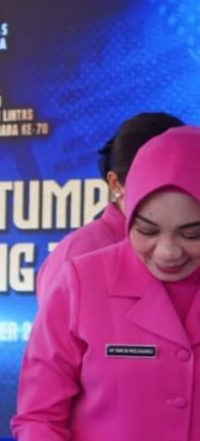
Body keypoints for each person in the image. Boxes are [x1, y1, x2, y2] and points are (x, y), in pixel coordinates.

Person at [13, 126, 200, 441]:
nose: (168, 251)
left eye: (191, 234)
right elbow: (38, 417)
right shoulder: (82, 281)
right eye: (147, 230)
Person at [36, 113, 184, 301]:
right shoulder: (80, 253)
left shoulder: (189, 246)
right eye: (155, 183)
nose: (175, 193)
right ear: (116, 184)